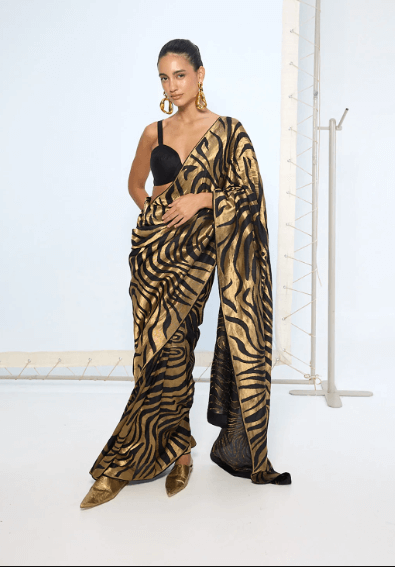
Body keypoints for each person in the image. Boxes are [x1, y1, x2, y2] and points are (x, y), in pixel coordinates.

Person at [80, 39, 291, 510]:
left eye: (180, 74)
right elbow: (136, 184)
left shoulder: (230, 132)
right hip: (152, 256)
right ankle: (176, 451)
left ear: (200, 74)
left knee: (174, 350)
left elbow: (250, 193)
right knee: (151, 354)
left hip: (197, 257)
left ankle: (140, 459)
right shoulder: (153, 131)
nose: (172, 85)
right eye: (164, 77)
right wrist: (153, 215)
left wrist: (200, 200)